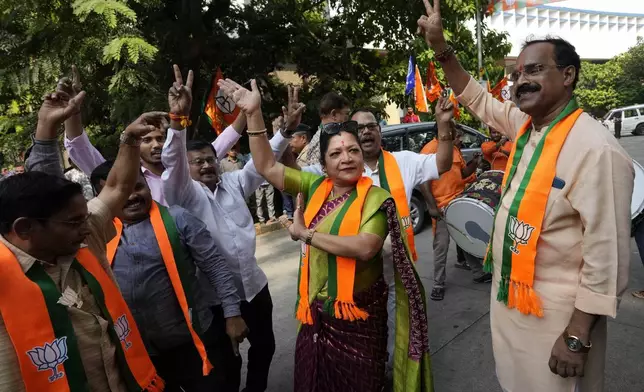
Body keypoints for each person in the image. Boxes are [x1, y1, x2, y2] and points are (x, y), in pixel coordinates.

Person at [418, 1, 634, 391]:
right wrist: (441, 48)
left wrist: (576, 337)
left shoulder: (595, 149)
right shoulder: (526, 127)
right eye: (517, 74)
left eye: (534, 70)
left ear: (568, 75)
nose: (521, 81)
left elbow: (607, 258)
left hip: (559, 319)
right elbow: (478, 99)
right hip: (511, 303)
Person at [219, 77, 433, 392]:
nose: (346, 158)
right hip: (317, 314)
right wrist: (253, 114)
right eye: (335, 154)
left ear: (362, 156)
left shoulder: (377, 198)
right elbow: (265, 164)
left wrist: (306, 235)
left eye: (352, 151)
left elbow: (365, 248)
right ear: (324, 163)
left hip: (359, 318)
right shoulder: (315, 185)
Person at [1, 88, 166, 391]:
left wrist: (129, 140)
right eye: (75, 221)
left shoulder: (80, 241)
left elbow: (117, 186)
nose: (89, 228)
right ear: (24, 229)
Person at [161, 66, 295, 392]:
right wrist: (178, 122)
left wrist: (284, 130)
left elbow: (260, 165)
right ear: (187, 167)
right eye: (199, 161)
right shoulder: (183, 195)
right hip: (215, 301)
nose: (207, 165)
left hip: (255, 288)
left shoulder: (234, 182)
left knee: (265, 350)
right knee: (226, 365)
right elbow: (174, 164)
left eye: (210, 159)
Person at [89, 160, 248, 392]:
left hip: (194, 340)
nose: (132, 196)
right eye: (122, 191)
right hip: (142, 351)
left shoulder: (178, 219)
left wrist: (233, 314)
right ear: (102, 198)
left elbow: (216, 267)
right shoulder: (96, 235)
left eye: (138, 187)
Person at [60, 65, 245, 206]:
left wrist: (247, 110)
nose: (156, 145)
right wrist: (72, 111)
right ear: (135, 143)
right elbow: (79, 147)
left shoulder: (186, 166)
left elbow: (225, 141)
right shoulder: (123, 175)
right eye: (147, 140)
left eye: (160, 138)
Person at [420, 118, 491, 302]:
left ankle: (477, 273)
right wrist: (432, 207)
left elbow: (463, 174)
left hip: (459, 202)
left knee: (465, 238)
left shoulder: (454, 148)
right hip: (443, 207)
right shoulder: (429, 150)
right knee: (441, 247)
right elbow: (424, 182)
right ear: (441, 130)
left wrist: (475, 162)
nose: (456, 135)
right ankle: (438, 284)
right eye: (452, 130)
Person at [304, 92, 351, 166]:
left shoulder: (322, 137)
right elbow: (318, 175)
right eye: (346, 114)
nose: (348, 119)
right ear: (334, 114)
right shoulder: (323, 141)